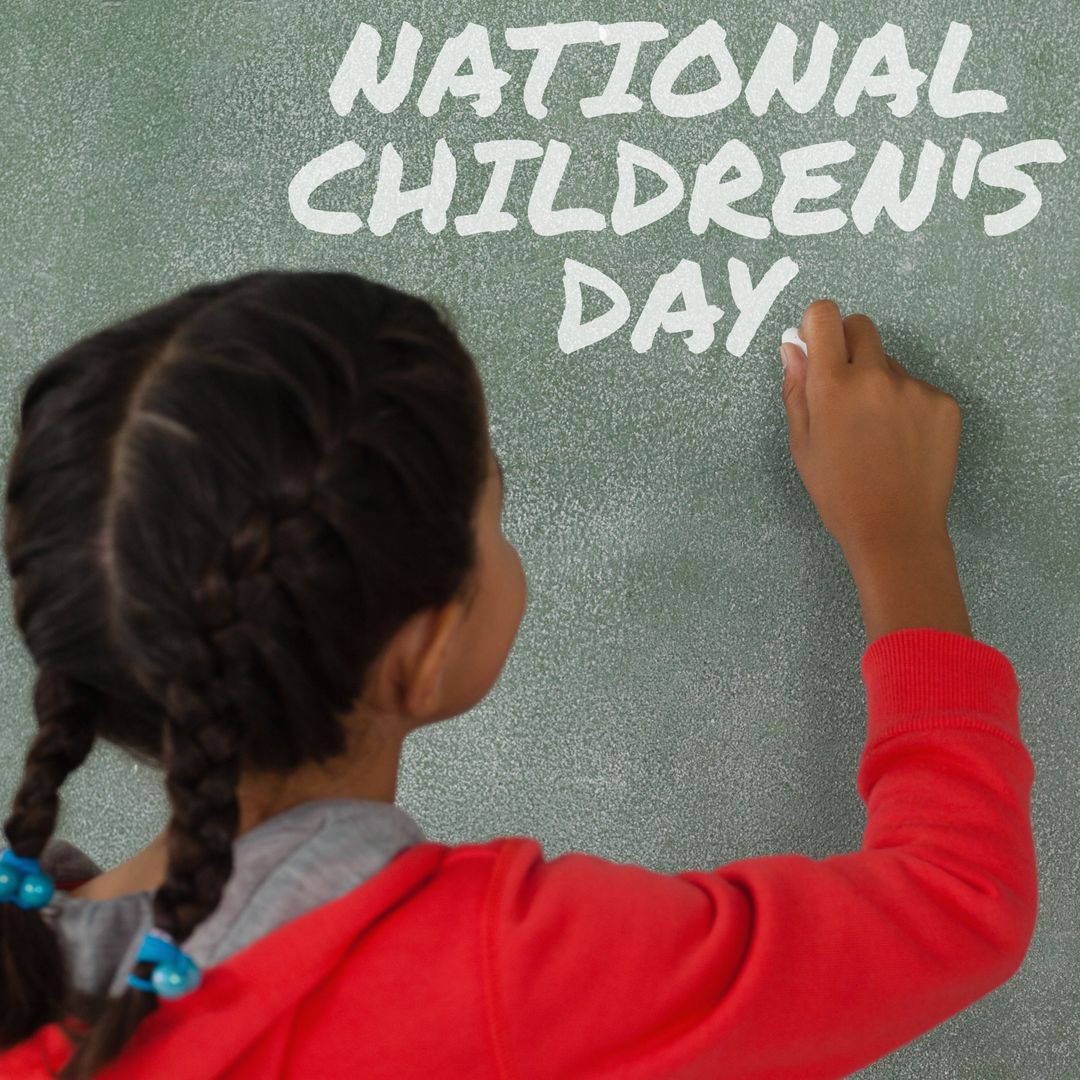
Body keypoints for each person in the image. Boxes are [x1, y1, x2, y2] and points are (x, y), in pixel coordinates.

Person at [0, 275, 1036, 1079]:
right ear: (424, 651)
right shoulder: (501, 975)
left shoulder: (29, 976)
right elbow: (953, 904)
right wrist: (899, 540)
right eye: (495, 507)